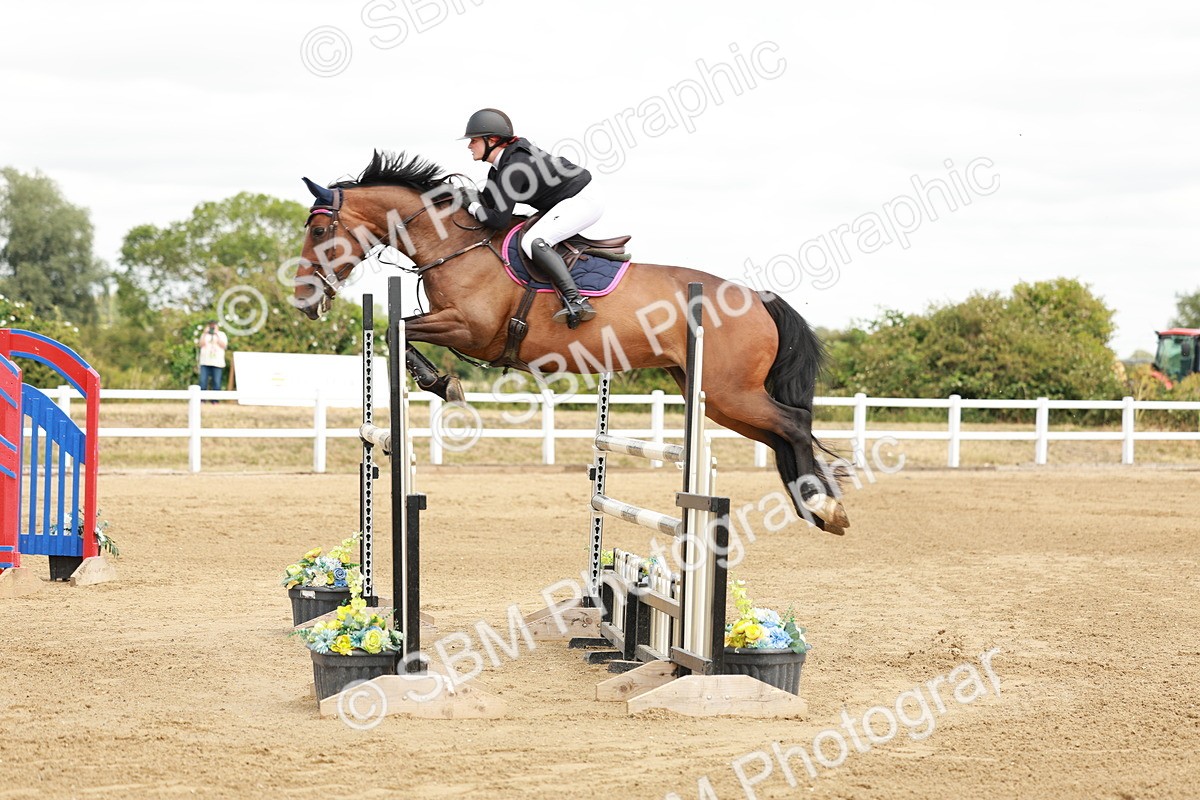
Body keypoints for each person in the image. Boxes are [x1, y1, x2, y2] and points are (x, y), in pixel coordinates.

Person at [461, 108, 600, 328]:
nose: (469, 145)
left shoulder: (514, 167)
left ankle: (576, 301)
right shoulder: (499, 168)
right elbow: (487, 202)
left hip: (583, 200)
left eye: (474, 140)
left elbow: (498, 220)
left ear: (493, 140)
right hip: (564, 202)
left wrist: (472, 207)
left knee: (533, 241)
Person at [196, 320, 228, 402]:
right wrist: (204, 333)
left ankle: (215, 401)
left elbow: (224, 346)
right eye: (211, 325)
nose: (212, 327)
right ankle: (202, 400)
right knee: (202, 381)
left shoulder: (222, 334)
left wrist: (216, 334)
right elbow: (200, 345)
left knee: (216, 382)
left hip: (217, 362)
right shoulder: (204, 335)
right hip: (205, 361)